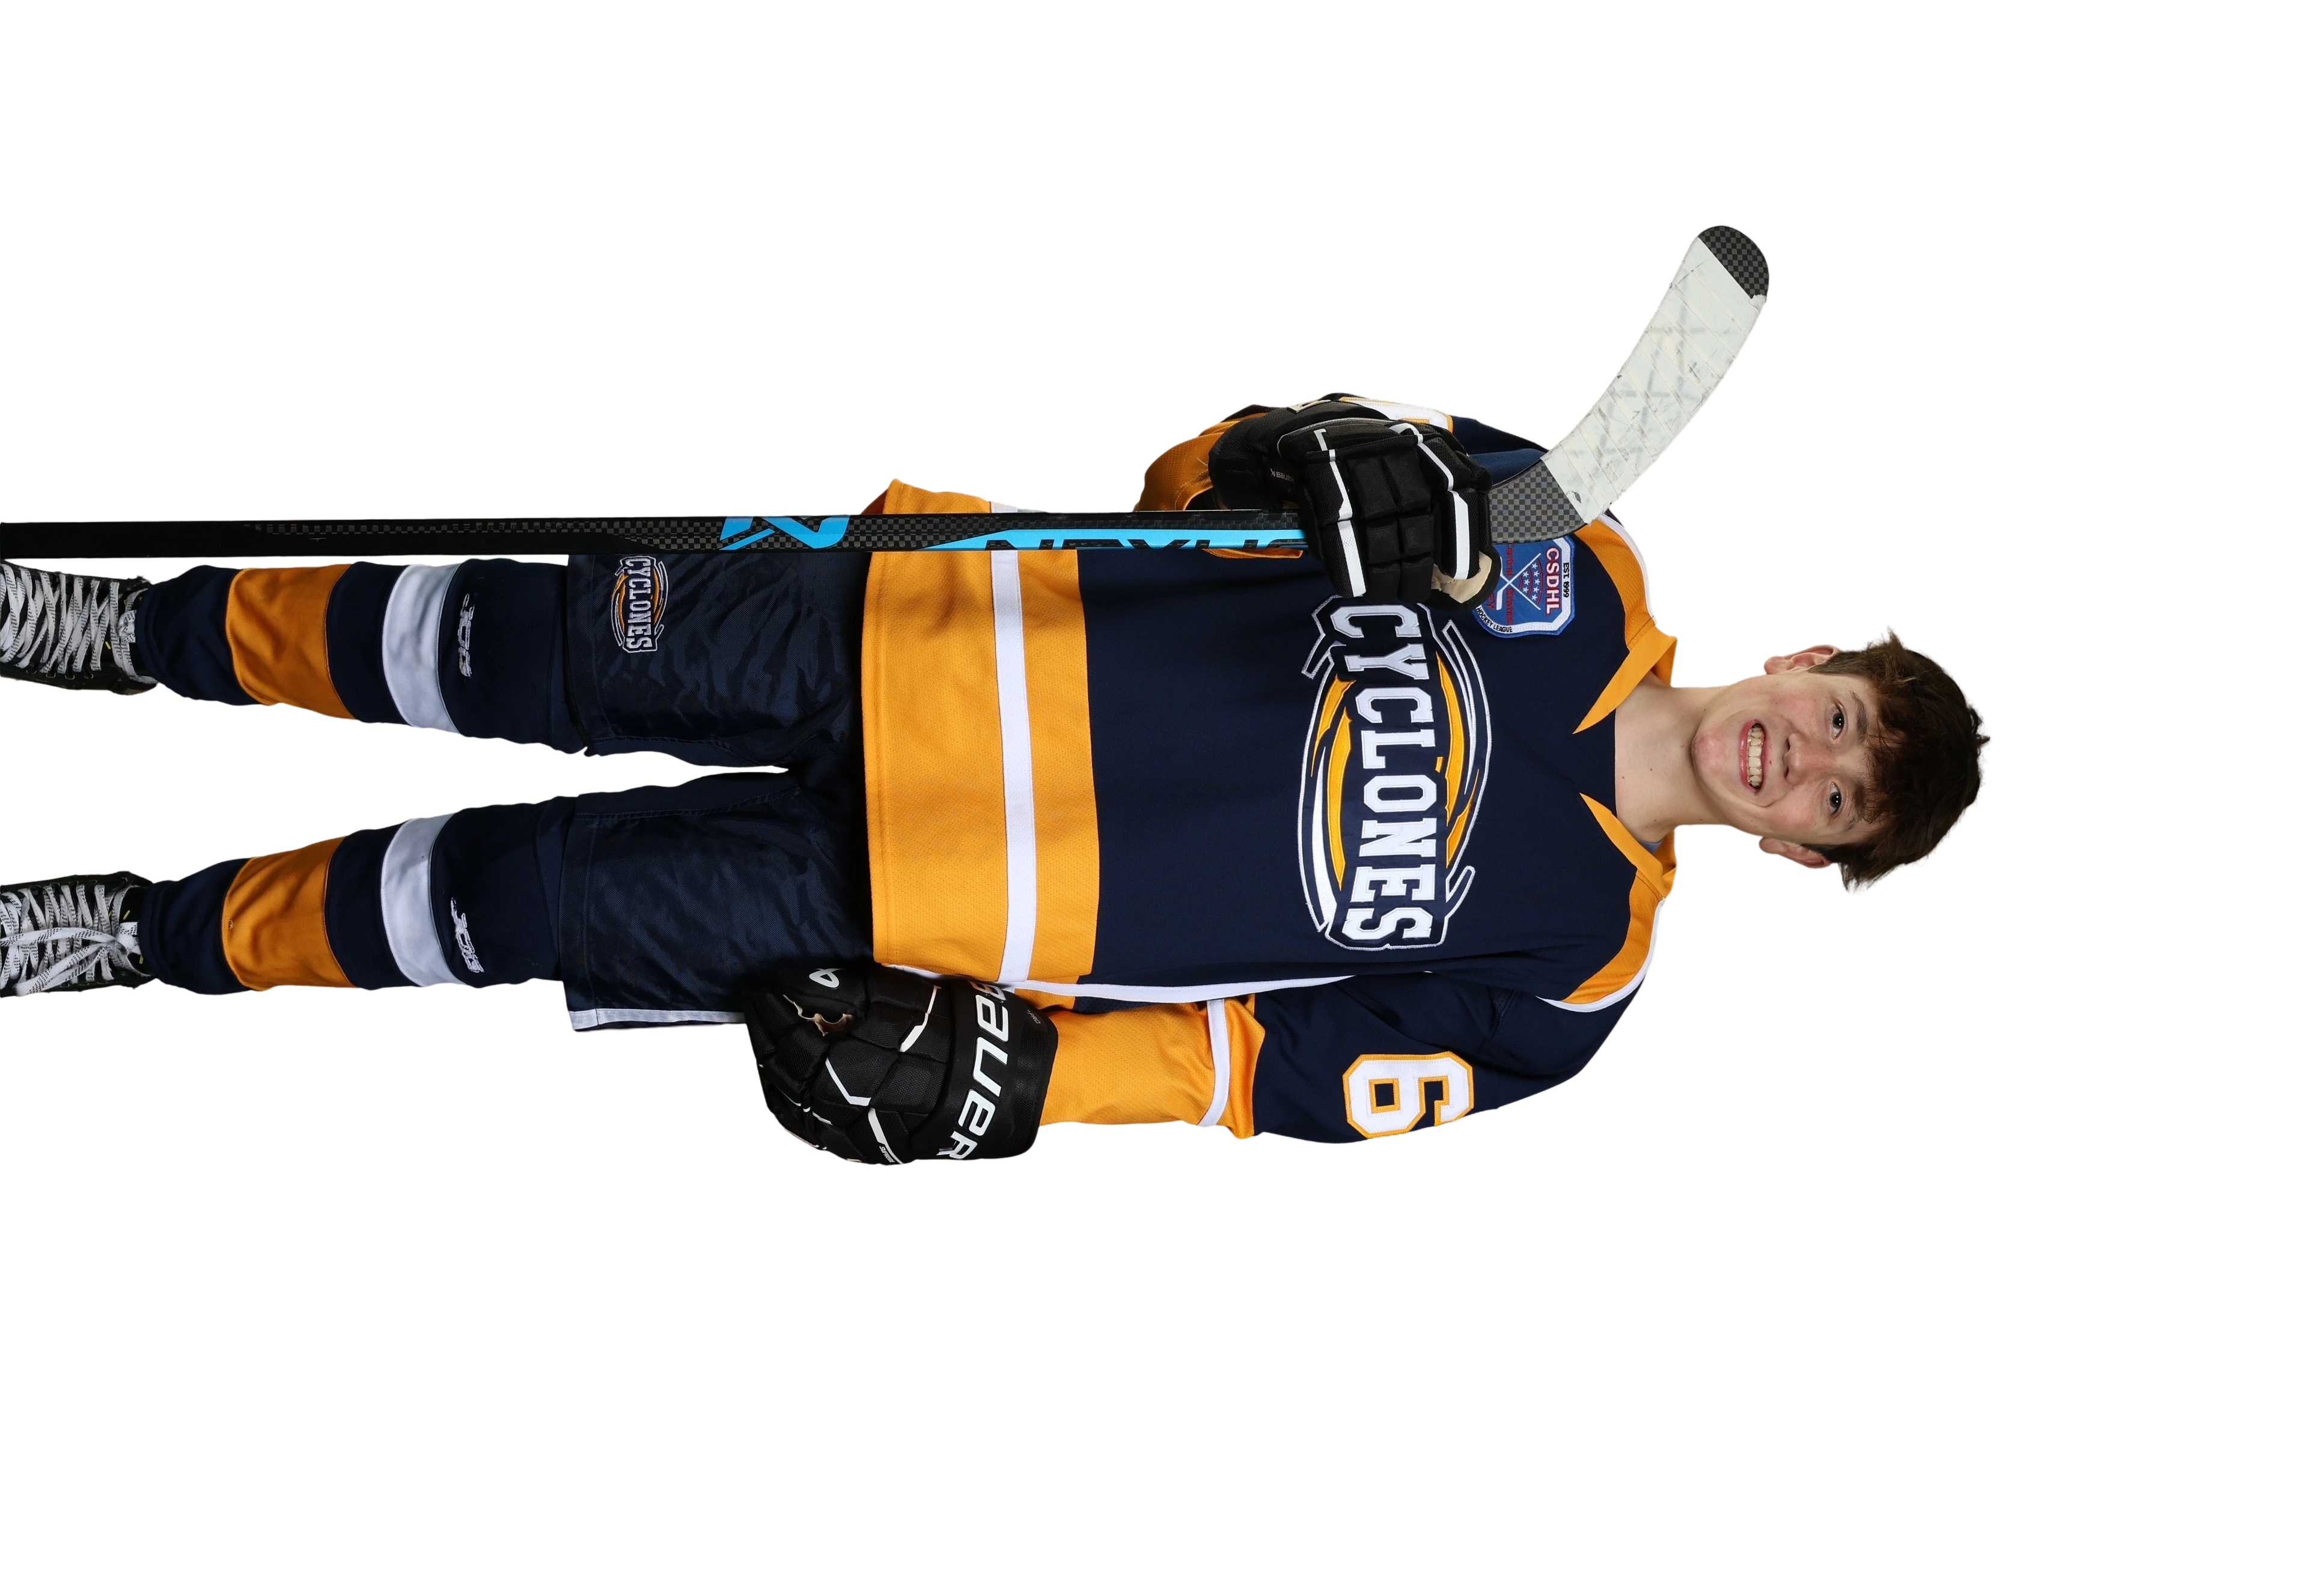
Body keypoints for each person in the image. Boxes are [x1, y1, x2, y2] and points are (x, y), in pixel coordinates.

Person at [0, 398, 1993, 1165]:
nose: (1807, 761)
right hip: (919, 626)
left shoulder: (1568, 993)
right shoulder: (1568, 548)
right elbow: (1206, 472)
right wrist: (1306, 453)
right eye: (1841, 720)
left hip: (912, 910)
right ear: (1807, 660)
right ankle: (120, 628)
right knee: (491, 642)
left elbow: (1262, 1079)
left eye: (1841, 801)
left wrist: (1025, 1089)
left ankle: (127, 937)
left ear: (1801, 855)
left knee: (485, 913)